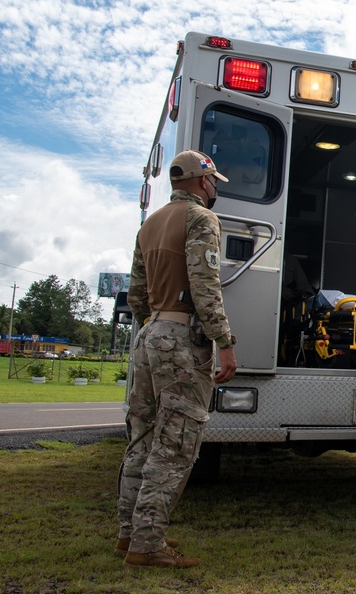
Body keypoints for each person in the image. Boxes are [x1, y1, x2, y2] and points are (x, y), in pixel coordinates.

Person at [116, 150, 237, 569]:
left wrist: (154, 325)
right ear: (203, 181)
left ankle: (127, 534)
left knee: (142, 438)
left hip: (150, 333)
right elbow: (206, 287)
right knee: (176, 443)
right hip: (181, 337)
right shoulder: (202, 220)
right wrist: (224, 341)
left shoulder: (148, 225)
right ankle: (148, 544)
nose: (215, 186)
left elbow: (136, 295)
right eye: (213, 180)